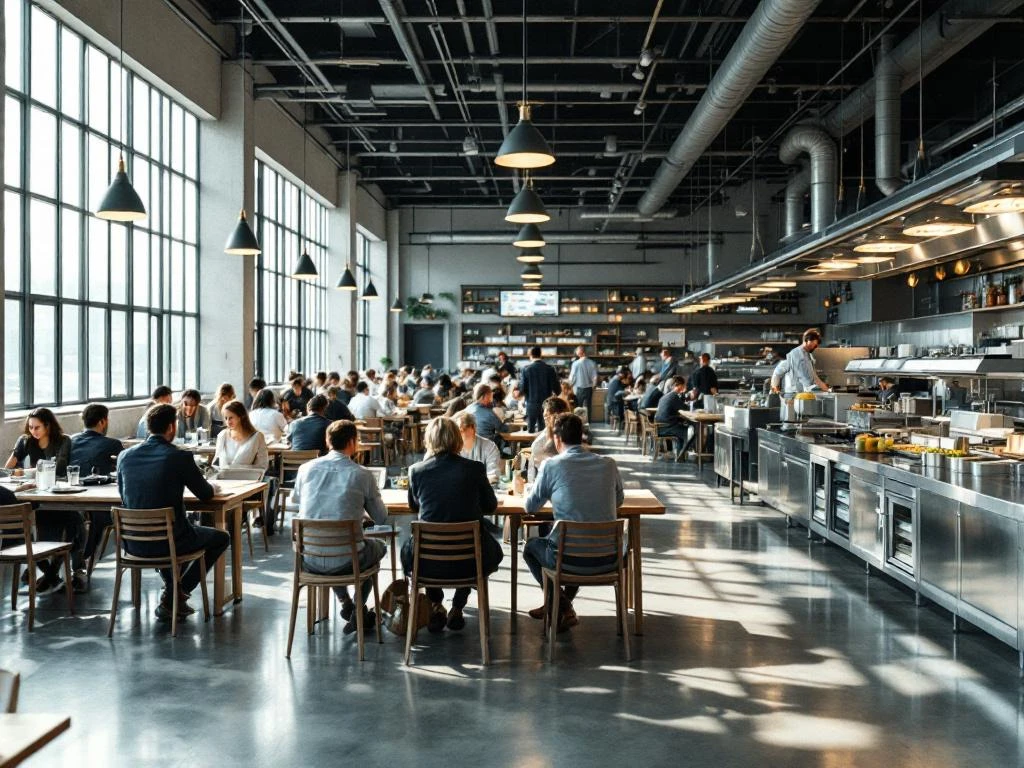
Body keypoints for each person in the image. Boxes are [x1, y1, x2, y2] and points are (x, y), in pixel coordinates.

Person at [116, 403, 229, 622]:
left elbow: (124, 496)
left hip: (133, 543)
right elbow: (205, 494)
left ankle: (173, 590)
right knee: (220, 538)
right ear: (171, 427)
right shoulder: (179, 457)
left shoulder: (124, 457)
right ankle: (177, 593)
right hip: (170, 541)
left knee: (165, 533)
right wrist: (213, 486)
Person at [523, 413, 623, 632]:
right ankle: (561, 606)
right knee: (574, 541)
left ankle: (559, 605)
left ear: (557, 440)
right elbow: (619, 500)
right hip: (608, 559)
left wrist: (541, 491)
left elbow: (530, 507)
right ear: (582, 437)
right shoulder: (608, 464)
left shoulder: (552, 466)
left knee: (532, 547)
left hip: (569, 560)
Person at [402, 417, 502, 633]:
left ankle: (436, 604)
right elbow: (491, 506)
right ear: (457, 438)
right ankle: (457, 606)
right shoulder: (475, 469)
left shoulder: (416, 471)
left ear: (429, 440)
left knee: (421, 545)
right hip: (469, 561)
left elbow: (412, 505)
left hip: (428, 562)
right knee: (475, 543)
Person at [291, 420, 388, 634]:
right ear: (354, 442)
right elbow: (381, 517)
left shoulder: (305, 468)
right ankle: (358, 610)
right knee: (377, 547)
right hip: (347, 559)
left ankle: (345, 602)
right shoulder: (362, 474)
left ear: (327, 441)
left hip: (309, 558)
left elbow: (295, 502)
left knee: (334, 541)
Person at [7, 408, 81, 593]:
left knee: (75, 520)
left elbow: (61, 467)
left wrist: (27, 472)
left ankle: (51, 573)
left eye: (37, 427)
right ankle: (51, 574)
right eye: (30, 427)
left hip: (58, 492)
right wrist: (19, 473)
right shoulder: (25, 441)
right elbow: (8, 469)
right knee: (70, 521)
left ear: (48, 425)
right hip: (34, 494)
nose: (33, 431)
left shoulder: (63, 440)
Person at [71, 404, 125, 573]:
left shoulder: (71, 441)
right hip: (101, 499)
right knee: (101, 517)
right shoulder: (112, 444)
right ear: (103, 421)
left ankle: (77, 564)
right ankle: (86, 561)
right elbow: (124, 468)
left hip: (72, 499)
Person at [214, 401, 269, 473]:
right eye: (226, 418)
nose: (228, 422)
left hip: (248, 480)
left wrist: (236, 469)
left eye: (231, 418)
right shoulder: (222, 436)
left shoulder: (257, 437)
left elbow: (262, 466)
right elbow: (216, 463)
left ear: (241, 416)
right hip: (223, 480)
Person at [770, 328, 829, 393]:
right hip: (792, 394)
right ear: (807, 341)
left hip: (805, 394)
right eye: (813, 345)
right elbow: (777, 372)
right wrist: (775, 388)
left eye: (815, 346)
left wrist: (826, 389)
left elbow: (814, 377)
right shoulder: (795, 354)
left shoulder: (809, 357)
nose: (814, 347)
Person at [527, 396, 571, 482]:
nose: (544, 415)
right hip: (540, 477)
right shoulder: (548, 430)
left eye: (548, 414)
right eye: (544, 412)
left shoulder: (560, 435)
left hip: (553, 480)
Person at [518, 346, 560, 432]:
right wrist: (557, 394)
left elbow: (522, 388)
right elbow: (556, 388)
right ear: (541, 354)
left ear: (530, 355)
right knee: (544, 429)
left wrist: (520, 394)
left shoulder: (526, 369)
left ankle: (531, 444)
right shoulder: (550, 369)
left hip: (531, 403)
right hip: (546, 404)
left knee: (530, 429)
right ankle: (542, 445)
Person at [453, 411, 501, 484]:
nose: (458, 434)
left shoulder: (489, 447)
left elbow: (493, 475)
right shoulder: (451, 448)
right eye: (455, 431)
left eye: (462, 430)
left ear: (473, 428)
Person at [654, 376, 691, 460]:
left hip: (659, 426)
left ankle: (679, 454)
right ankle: (680, 455)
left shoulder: (665, 396)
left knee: (682, 429)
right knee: (689, 432)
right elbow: (685, 408)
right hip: (667, 427)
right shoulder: (674, 396)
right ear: (679, 385)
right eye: (683, 385)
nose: (684, 387)